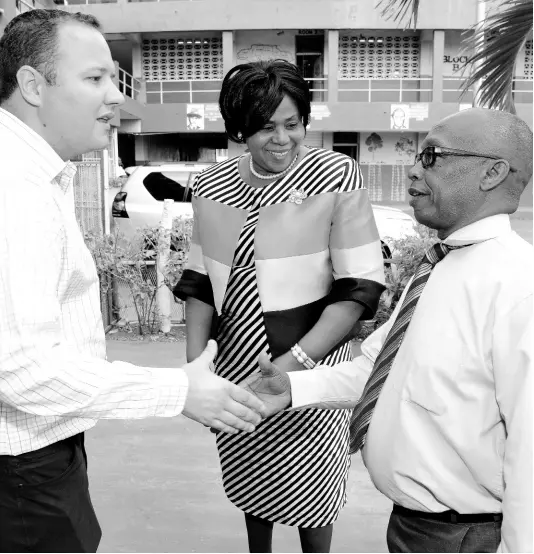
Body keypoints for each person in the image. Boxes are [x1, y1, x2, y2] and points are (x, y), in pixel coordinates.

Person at [0, 10, 265, 553]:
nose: (115, 96)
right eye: (94, 79)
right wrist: (177, 391)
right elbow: (21, 369)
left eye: (113, 79)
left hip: (40, 450)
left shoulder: (38, 176)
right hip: (22, 467)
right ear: (32, 85)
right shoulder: (15, 191)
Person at [241, 108, 533, 553]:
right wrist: (292, 388)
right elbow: (381, 372)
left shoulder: (516, 287)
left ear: (491, 172)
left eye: (432, 156)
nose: (413, 170)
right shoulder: (441, 265)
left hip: (465, 537)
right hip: (417, 528)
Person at [172, 59, 386, 553]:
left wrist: (294, 369)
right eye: (266, 127)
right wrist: (195, 368)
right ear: (240, 129)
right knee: (252, 485)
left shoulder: (336, 175)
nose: (282, 139)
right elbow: (201, 281)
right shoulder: (211, 184)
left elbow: (357, 287)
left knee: (314, 497)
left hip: (312, 365)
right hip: (237, 368)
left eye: (293, 125)